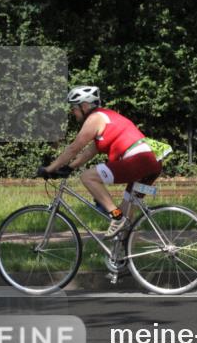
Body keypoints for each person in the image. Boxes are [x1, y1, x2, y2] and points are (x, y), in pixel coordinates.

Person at [38, 85, 162, 237]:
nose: (72, 112)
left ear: (84, 106)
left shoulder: (95, 118)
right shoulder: (107, 117)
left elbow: (74, 148)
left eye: (73, 108)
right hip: (150, 162)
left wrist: (49, 169)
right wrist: (69, 167)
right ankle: (123, 259)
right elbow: (91, 151)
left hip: (138, 160)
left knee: (88, 177)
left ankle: (116, 216)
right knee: (127, 218)